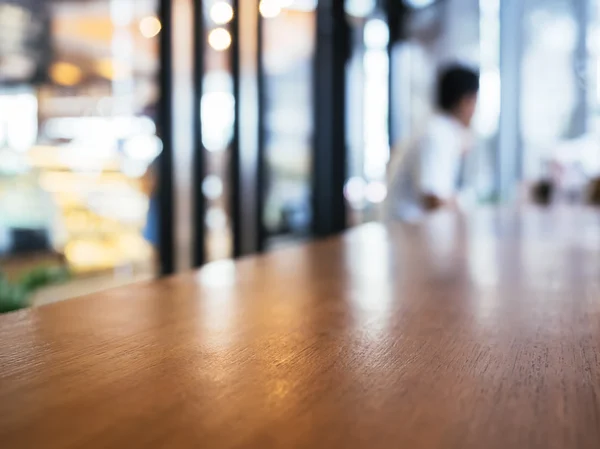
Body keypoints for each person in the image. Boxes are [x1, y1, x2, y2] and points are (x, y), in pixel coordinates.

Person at [387, 64, 479, 222]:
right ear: (466, 101)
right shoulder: (437, 134)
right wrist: (465, 202)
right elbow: (433, 200)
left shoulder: (440, 130)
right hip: (407, 234)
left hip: (411, 231)